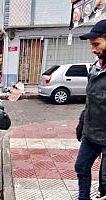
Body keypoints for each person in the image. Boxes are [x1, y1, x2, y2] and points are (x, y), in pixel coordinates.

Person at [75, 19, 106, 200]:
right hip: (90, 133)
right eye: (91, 45)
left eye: (97, 44)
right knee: (81, 168)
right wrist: (82, 122)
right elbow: (91, 101)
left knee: (105, 183)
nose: (93, 49)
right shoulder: (95, 68)